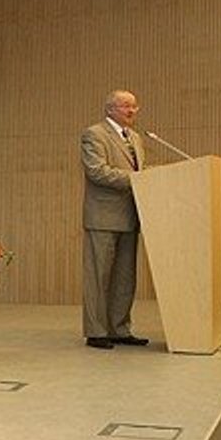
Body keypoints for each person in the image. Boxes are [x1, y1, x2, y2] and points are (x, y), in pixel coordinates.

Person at [80, 90, 149, 350]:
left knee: (125, 277)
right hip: (103, 217)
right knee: (98, 277)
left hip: (131, 216)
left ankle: (120, 329)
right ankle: (96, 331)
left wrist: (147, 178)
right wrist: (138, 179)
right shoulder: (94, 134)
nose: (131, 111)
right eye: (125, 106)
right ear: (110, 109)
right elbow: (97, 172)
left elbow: (138, 172)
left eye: (134, 106)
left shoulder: (136, 138)